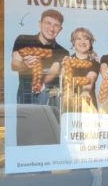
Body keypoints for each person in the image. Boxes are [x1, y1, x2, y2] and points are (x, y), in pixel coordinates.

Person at [10, 9, 68, 145]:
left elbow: (56, 74)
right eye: (48, 23)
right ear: (39, 24)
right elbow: (14, 65)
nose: (51, 28)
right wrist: (25, 64)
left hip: (50, 102)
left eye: (56, 25)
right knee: (26, 141)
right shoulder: (23, 40)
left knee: (49, 143)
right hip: (26, 99)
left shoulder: (62, 52)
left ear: (60, 29)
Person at [60, 27, 99, 114]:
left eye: (86, 39)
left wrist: (85, 91)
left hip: (87, 105)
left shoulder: (94, 63)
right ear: (73, 42)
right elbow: (63, 80)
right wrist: (64, 66)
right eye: (79, 39)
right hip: (69, 106)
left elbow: (90, 78)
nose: (83, 42)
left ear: (91, 42)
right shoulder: (67, 61)